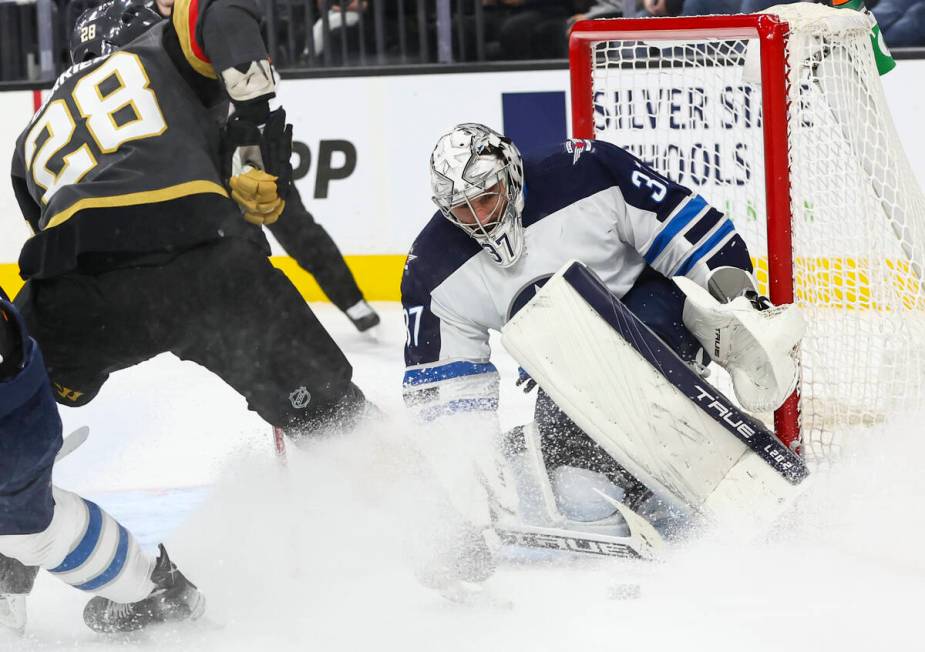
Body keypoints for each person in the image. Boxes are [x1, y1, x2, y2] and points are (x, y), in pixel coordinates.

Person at [401, 123, 802, 584]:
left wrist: (742, 304)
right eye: (462, 210)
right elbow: (447, 389)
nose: (478, 217)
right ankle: (638, 489)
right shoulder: (429, 268)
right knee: (581, 499)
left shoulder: (587, 171)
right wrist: (471, 482)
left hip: (648, 318)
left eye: (485, 199)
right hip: (564, 372)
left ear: (510, 175)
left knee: (647, 390)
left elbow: (690, 229)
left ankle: (674, 454)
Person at [10, 0, 368, 440]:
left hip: (84, 297)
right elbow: (218, 11)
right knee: (337, 422)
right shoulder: (159, 52)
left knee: (13, 358)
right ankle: (381, 466)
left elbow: (49, 236)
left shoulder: (27, 141)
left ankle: (18, 455)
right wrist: (255, 119)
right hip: (203, 268)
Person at [149, 0, 381, 332]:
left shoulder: (209, 17)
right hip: (194, 158)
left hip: (241, 145)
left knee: (294, 225)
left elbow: (254, 86)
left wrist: (252, 155)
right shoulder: (145, 31)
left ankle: (352, 301)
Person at [0, 290, 203, 634]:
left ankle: (156, 589)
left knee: (31, 531)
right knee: (27, 519)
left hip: (15, 436)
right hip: (25, 419)